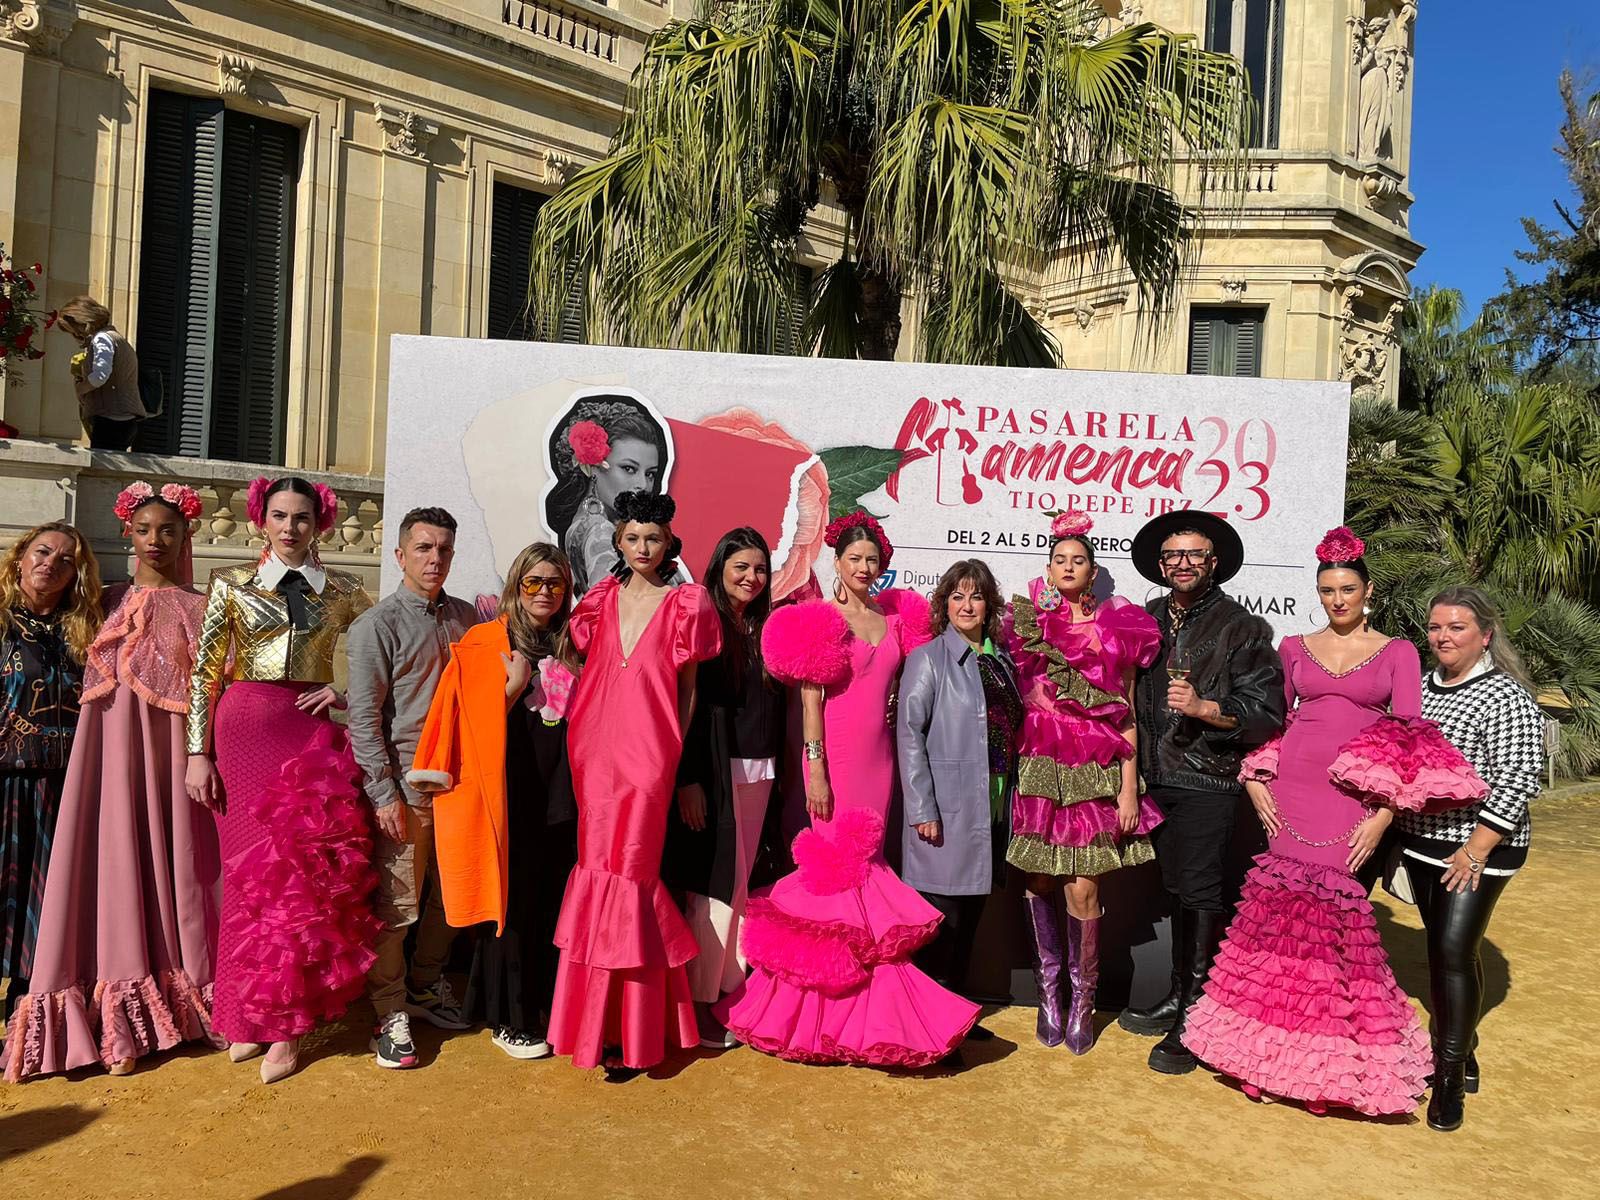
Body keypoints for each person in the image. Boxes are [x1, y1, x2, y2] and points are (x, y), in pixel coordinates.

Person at [1181, 528, 1485, 1117]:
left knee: (1330, 929)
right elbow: (1273, 722)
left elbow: (1408, 741)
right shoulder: (1293, 646)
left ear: (1367, 590)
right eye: (1327, 591)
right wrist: (1253, 778)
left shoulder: (1399, 651)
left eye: (1347, 589)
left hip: (1351, 801)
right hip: (1290, 794)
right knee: (1277, 928)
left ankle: (1322, 1065)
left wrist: (1385, 814)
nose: (1337, 600)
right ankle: (1258, 1057)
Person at [717, 513, 980, 1068]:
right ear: (836, 562)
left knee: (870, 883)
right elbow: (811, 704)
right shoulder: (819, 620)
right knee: (832, 885)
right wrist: (815, 770)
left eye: (873, 561)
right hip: (832, 764)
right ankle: (809, 1016)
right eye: (855, 559)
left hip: (880, 768)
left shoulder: (895, 619)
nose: (865, 568)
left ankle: (869, 1015)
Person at [5, 484, 222, 1080]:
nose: (157, 540)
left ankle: (185, 1001)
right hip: (103, 760)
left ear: (185, 537)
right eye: (145, 529)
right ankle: (114, 1013)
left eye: (169, 531)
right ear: (128, 533)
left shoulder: (205, 607)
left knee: (181, 865)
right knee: (108, 865)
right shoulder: (98, 604)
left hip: (173, 757)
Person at [185, 476, 378, 1084]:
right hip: (242, 734)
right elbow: (204, 674)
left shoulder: (346, 590)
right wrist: (198, 753)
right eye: (279, 516)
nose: (290, 528)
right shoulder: (230, 585)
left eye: (301, 517)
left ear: (319, 523)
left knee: (300, 881)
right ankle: (245, 1017)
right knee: (246, 879)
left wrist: (345, 693)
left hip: (309, 739)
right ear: (260, 520)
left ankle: (288, 1030)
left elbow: (383, 660)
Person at [546, 492, 721, 1080]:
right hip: (592, 752)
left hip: (651, 756)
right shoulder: (597, 600)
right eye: (633, 538)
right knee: (597, 871)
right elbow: (579, 666)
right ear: (618, 542)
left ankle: (632, 1031)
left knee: (633, 876)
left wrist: (674, 753)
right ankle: (587, 1028)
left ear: (669, 543)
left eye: (654, 539)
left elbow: (690, 690)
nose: (644, 548)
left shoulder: (687, 604)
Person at [1118, 511, 1284, 1075]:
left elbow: (1267, 714)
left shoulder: (1245, 628)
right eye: (1172, 556)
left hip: (1207, 780)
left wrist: (1207, 709)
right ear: (1160, 565)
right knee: (1175, 891)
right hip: (1150, 778)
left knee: (1200, 893)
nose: (1182, 564)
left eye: (1193, 555)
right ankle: (1177, 995)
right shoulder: (1144, 620)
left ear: (1214, 564)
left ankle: (1196, 1013)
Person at [409, 542, 580, 1061]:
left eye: (555, 583)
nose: (545, 593)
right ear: (516, 585)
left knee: (555, 898)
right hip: (508, 788)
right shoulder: (487, 640)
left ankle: (551, 1007)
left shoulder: (576, 641)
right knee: (512, 902)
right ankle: (510, 1015)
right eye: (534, 583)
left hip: (565, 787)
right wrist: (512, 687)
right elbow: (466, 724)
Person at [1005, 514, 1164, 1053]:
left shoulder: (1120, 628)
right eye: (1059, 559)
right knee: (1040, 882)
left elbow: (1126, 715)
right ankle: (1049, 995)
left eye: (1078, 560)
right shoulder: (1027, 622)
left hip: (1096, 772)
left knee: (1084, 887)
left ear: (1092, 571)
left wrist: (1128, 787)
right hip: (1039, 769)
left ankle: (1084, 1000)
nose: (1068, 567)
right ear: (1048, 569)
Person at [1399, 586, 1544, 1132]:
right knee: (1443, 946)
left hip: (1481, 845)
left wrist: (1476, 850)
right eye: (1436, 627)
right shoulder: (1421, 688)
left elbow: (1517, 778)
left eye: (1457, 627)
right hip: (1421, 841)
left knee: (1454, 950)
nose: (1443, 637)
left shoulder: (1505, 696)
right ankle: (1466, 1044)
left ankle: (1450, 1075)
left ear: (1485, 634)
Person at [345, 507, 478, 1070]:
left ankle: (425, 986)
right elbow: (364, 719)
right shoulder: (376, 626)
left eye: (444, 549)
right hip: (407, 789)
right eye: (423, 548)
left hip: (462, 789)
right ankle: (389, 1009)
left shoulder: (468, 620)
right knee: (398, 908)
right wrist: (383, 795)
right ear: (400, 555)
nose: (435, 559)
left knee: (452, 899)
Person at [662, 528, 787, 1050]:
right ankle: (697, 1001)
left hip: (761, 771)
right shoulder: (703, 620)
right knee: (712, 887)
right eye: (741, 567)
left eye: (759, 569)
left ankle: (728, 990)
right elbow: (685, 706)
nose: (751, 578)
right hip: (714, 772)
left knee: (738, 887)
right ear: (719, 567)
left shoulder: (765, 625)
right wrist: (688, 779)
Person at [896, 559, 1022, 1042]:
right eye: (957, 596)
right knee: (941, 924)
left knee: (970, 918)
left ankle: (954, 1016)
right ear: (944, 604)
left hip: (991, 803)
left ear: (989, 605)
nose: (966, 605)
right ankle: (929, 1026)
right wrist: (922, 809)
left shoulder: (1000, 659)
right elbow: (909, 736)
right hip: (947, 810)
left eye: (976, 596)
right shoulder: (928, 658)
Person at [0, 523, 101, 1023]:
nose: (51, 564)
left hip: (61, 784)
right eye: (42, 552)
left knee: (40, 901)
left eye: (65, 560)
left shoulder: (82, 631)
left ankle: (24, 1019)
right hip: (4, 778)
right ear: (20, 557)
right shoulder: (1, 621)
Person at [543, 395, 671, 592]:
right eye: (629, 469)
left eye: (650, 474)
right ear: (594, 468)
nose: (643, 485)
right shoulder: (600, 532)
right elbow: (613, 606)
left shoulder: (608, 525)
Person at [56, 295, 149, 451]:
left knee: (101, 469)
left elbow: (100, 375)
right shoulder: (114, 337)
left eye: (71, 330)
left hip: (112, 419)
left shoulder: (102, 339)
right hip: (122, 418)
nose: (74, 335)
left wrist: (81, 388)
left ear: (80, 322)